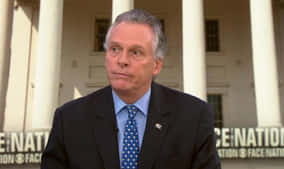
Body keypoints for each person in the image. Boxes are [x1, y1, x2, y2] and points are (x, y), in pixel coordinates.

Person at [41, 9, 221, 169]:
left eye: (135, 52)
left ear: (156, 65)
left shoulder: (193, 117)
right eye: (115, 49)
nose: (122, 60)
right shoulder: (69, 120)